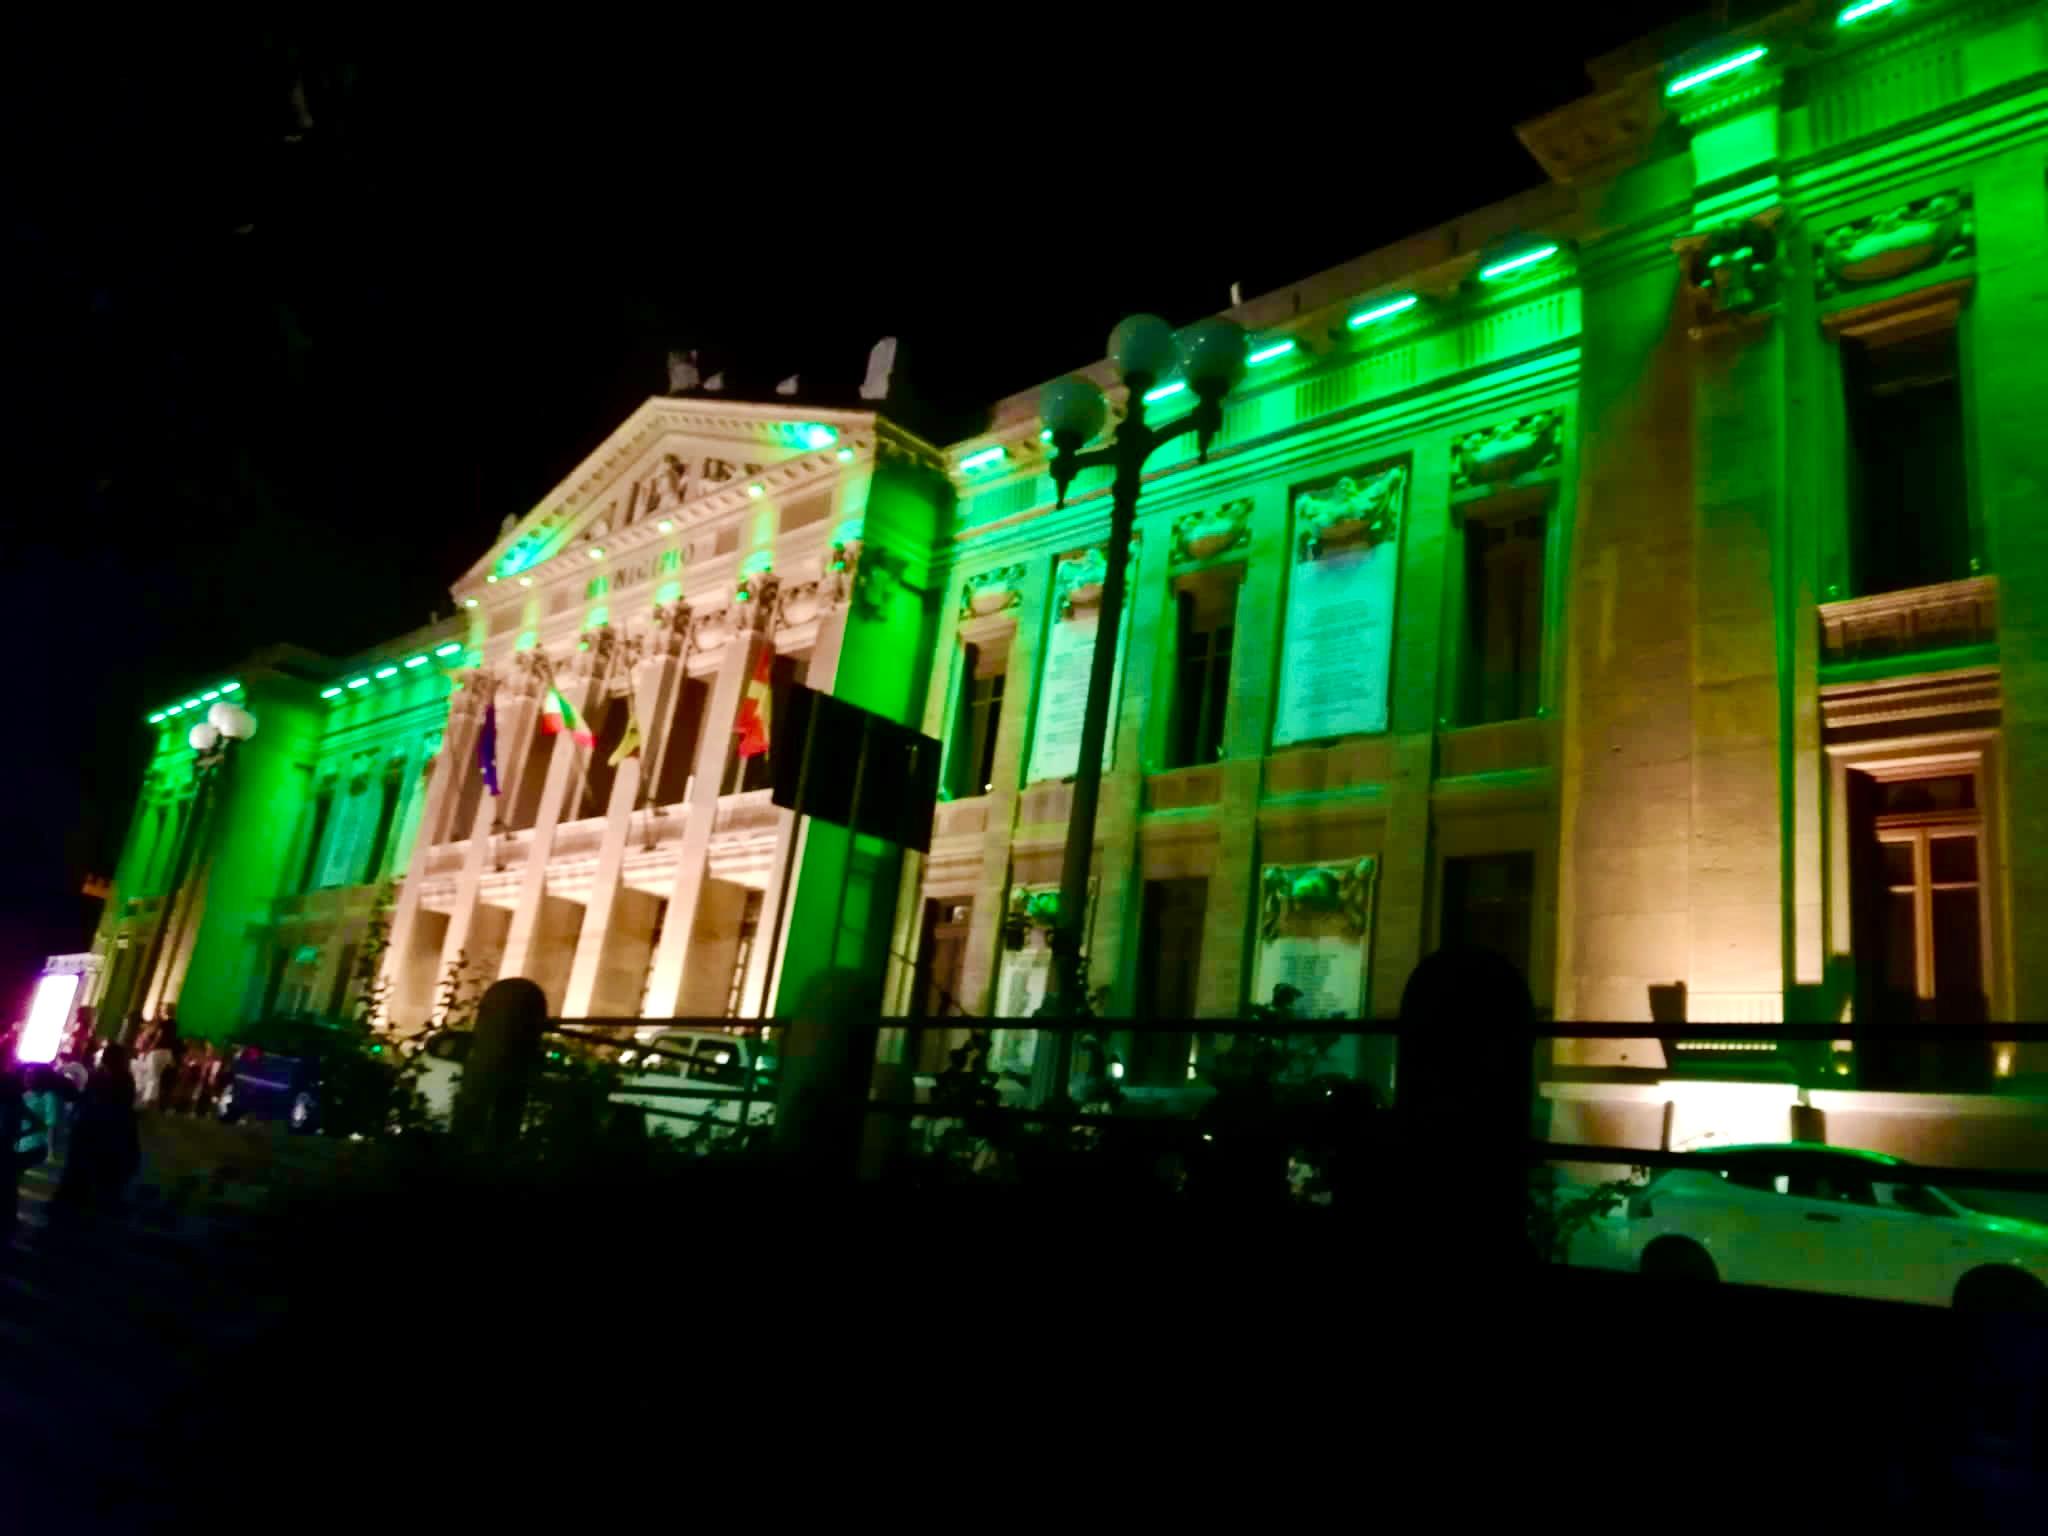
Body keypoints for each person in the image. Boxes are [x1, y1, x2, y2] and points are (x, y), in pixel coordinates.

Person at [50, 1042, 142, 1235]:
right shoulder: (121, 1078)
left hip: (91, 1127)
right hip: (102, 1130)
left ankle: (70, 1205)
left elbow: (89, 1099)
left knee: (79, 1168)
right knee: (89, 1170)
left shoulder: (102, 1076)